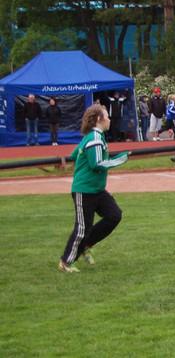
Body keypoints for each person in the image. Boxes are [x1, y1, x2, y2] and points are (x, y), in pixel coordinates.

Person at [58, 104, 128, 273]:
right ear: (99, 119)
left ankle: (85, 245)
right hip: (85, 190)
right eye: (107, 116)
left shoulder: (93, 137)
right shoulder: (94, 138)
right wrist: (121, 159)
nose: (109, 119)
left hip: (97, 190)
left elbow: (75, 155)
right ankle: (65, 262)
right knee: (82, 228)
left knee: (114, 215)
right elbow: (96, 164)